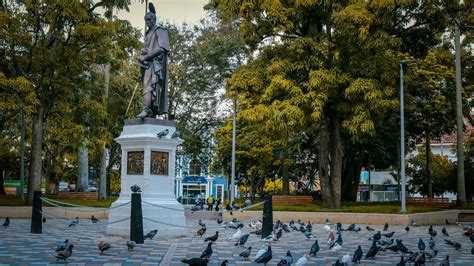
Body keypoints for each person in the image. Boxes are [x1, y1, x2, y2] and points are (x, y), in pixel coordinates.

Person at [137, 3, 169, 118]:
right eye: (146, 20)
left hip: (155, 65)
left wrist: (146, 57)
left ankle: (147, 109)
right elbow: (145, 49)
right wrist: (141, 58)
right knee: (147, 87)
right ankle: (150, 110)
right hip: (146, 65)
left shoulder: (160, 31)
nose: (147, 22)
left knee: (149, 86)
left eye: (149, 19)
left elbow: (161, 49)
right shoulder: (147, 33)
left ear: (154, 19)